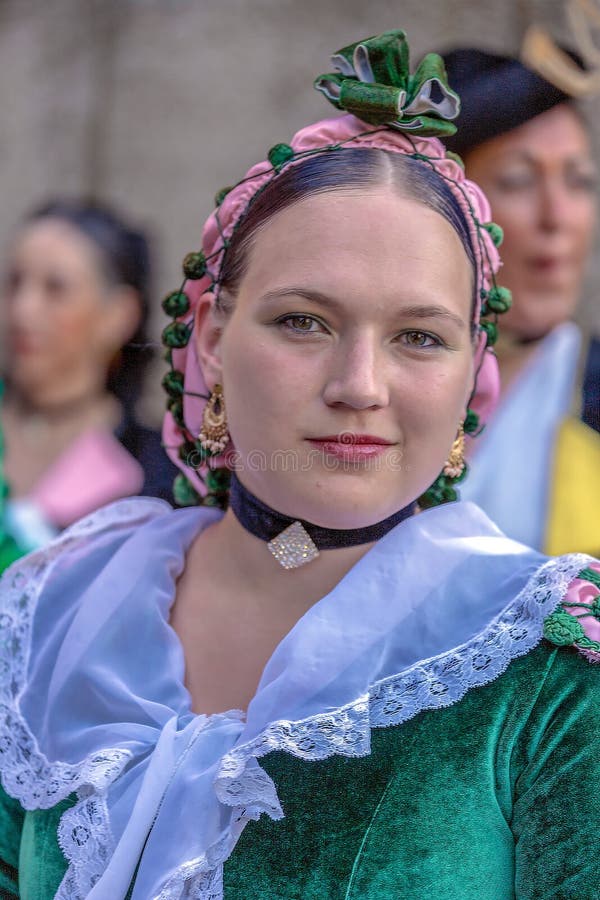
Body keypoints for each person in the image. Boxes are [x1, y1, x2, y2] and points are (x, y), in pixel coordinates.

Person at [0, 30, 599, 900]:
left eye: (418, 338)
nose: (360, 386)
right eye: (303, 322)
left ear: (474, 368)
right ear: (211, 335)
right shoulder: (52, 612)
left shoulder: (549, 665)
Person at [441, 47, 600, 555]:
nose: (558, 216)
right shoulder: (365, 392)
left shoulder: (591, 390)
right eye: (518, 180)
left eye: (579, 181)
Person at [1, 199, 177, 551]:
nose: (22, 310)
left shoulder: (155, 475)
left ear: (119, 315)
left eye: (55, 288)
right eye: (15, 283)